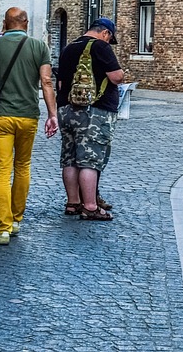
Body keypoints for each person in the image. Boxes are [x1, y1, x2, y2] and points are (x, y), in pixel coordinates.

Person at [0, 7, 58, 246]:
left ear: (4, 23)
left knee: (2, 171)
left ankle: (2, 229)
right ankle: (16, 220)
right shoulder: (39, 46)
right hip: (28, 116)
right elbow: (46, 81)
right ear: (26, 23)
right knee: (23, 166)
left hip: (0, 117)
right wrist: (53, 115)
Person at [56, 17, 124, 220]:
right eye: (109, 39)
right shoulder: (101, 47)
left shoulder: (69, 47)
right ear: (106, 33)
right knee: (89, 160)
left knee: (70, 158)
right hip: (93, 111)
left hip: (66, 109)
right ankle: (90, 206)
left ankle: (73, 203)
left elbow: (60, 83)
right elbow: (116, 77)